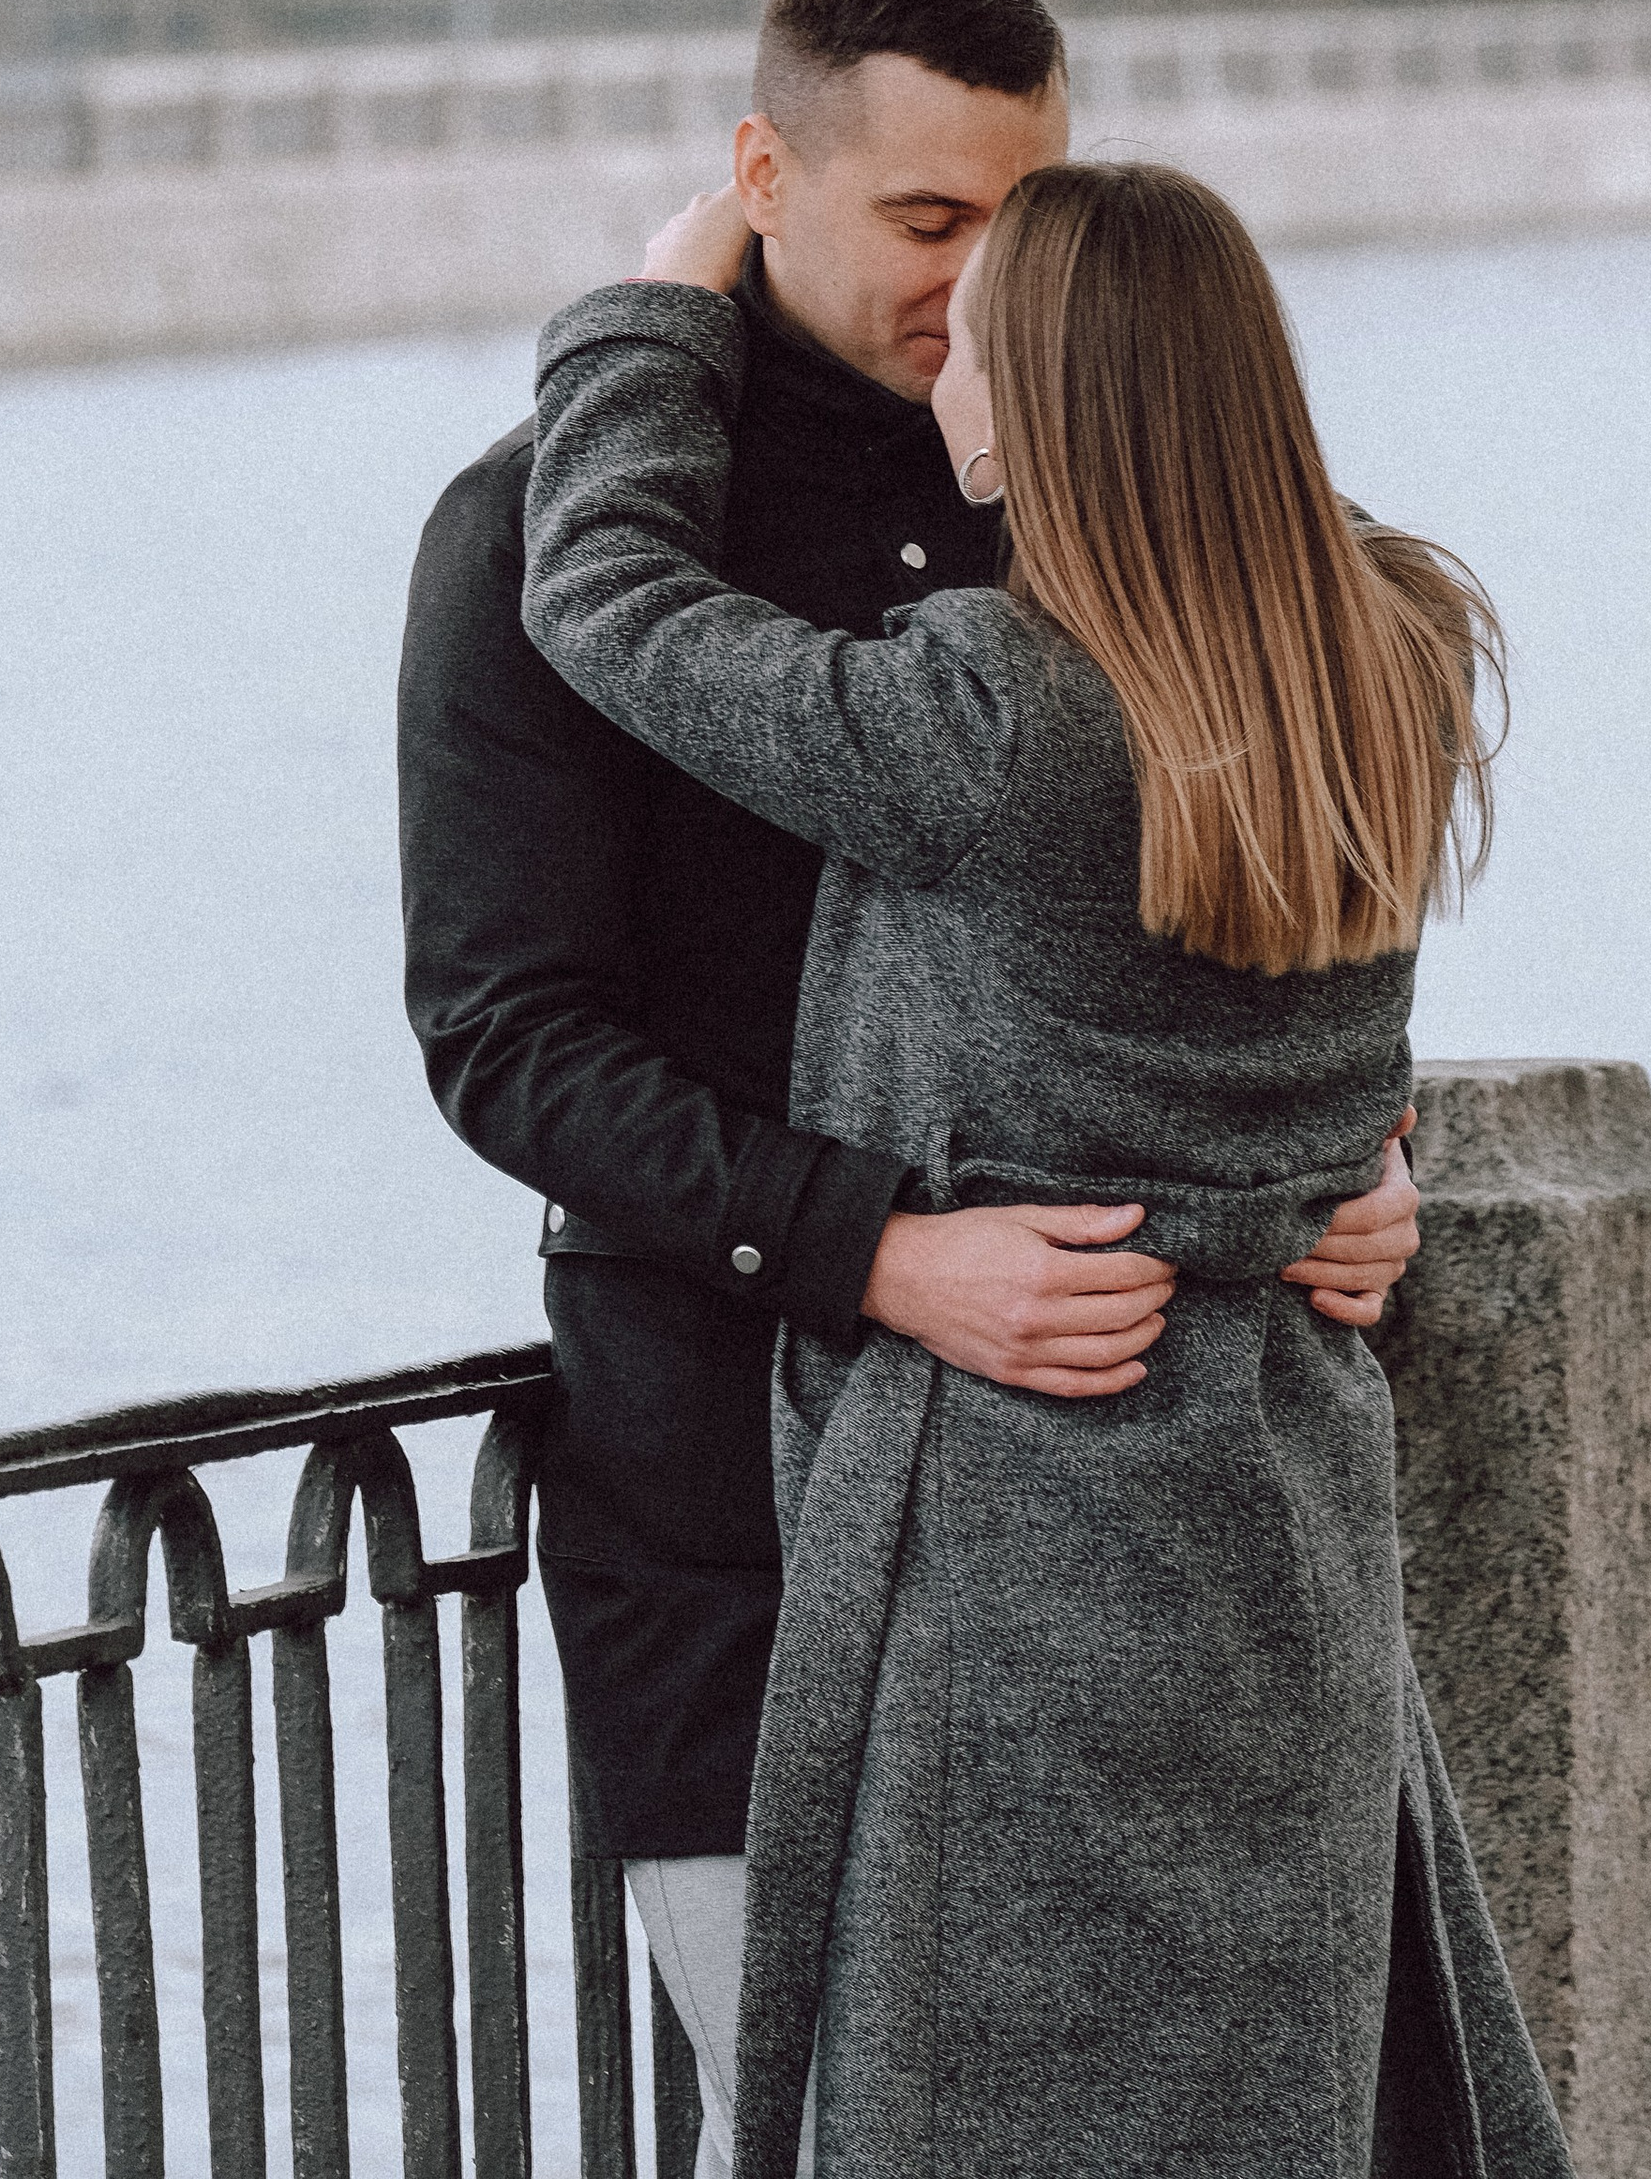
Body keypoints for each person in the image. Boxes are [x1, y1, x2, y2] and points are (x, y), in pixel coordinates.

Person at [398, 0, 1423, 2163]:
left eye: (1028, 225)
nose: (984, 287)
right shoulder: (533, 527)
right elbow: (505, 1039)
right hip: (735, 1511)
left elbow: (1280, 878)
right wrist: (869, 1248)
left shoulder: (1149, 513)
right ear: (765, 173)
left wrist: (1348, 1159)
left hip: (1143, 1544)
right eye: (932, 220)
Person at [518, 158, 1576, 2179]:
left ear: (1037, 409)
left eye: (977, 344)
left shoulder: (991, 713)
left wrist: (658, 313)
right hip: (1283, 1515)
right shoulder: (1395, 651)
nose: (941, 372)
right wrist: (1351, 1166)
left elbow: (609, 602)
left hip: (1019, 1542)